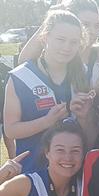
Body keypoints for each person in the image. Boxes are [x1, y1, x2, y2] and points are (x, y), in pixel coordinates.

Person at [4, 10, 87, 173]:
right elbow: (10, 129)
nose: (67, 47)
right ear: (45, 37)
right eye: (61, 40)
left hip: (73, 173)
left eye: (74, 42)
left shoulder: (82, 74)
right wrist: (46, 121)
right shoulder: (21, 77)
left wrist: (85, 116)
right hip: (33, 173)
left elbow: (90, 129)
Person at [19, 0, 99, 86]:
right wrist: (53, 19)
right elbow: (24, 62)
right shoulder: (54, 56)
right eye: (85, 25)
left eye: (97, 25)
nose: (92, 31)